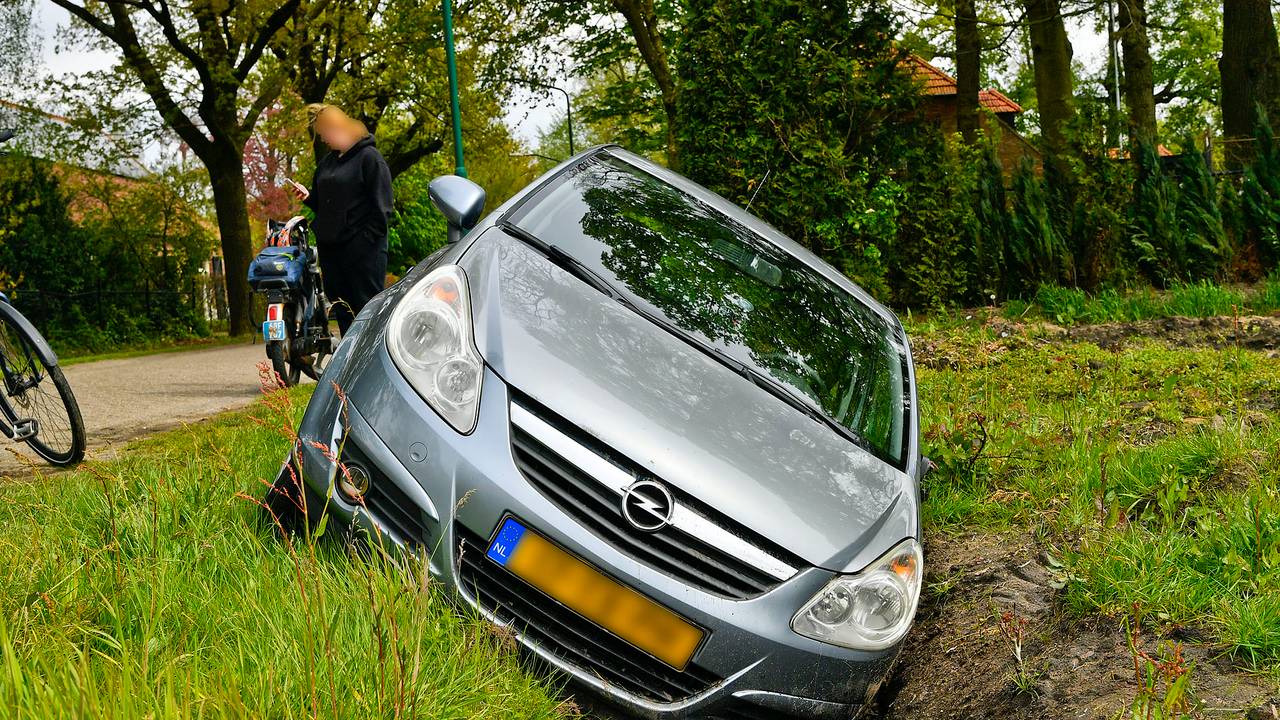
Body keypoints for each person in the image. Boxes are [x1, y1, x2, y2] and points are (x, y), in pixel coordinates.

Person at [287, 104, 392, 335]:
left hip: (363, 254)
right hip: (332, 251)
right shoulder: (328, 162)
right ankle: (350, 366)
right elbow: (326, 204)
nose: (323, 139)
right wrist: (309, 197)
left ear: (337, 127)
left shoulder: (370, 158)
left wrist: (363, 243)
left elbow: (382, 209)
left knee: (366, 311)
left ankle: (372, 365)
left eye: (324, 133)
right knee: (342, 312)